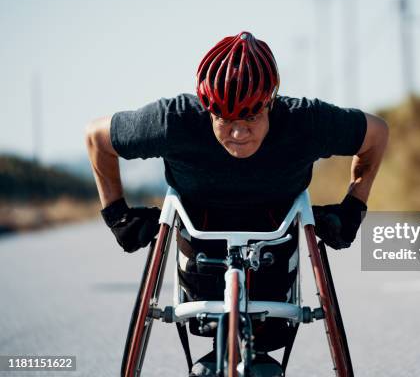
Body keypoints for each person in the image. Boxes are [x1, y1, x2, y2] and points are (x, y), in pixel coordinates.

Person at [85, 31, 388, 376]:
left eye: (252, 117)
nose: (239, 133)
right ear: (206, 107)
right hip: (199, 252)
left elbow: (376, 135)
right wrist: (117, 215)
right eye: (225, 120)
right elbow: (97, 138)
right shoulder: (175, 120)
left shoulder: (305, 122)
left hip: (276, 251)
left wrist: (353, 208)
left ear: (271, 102)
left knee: (272, 331)